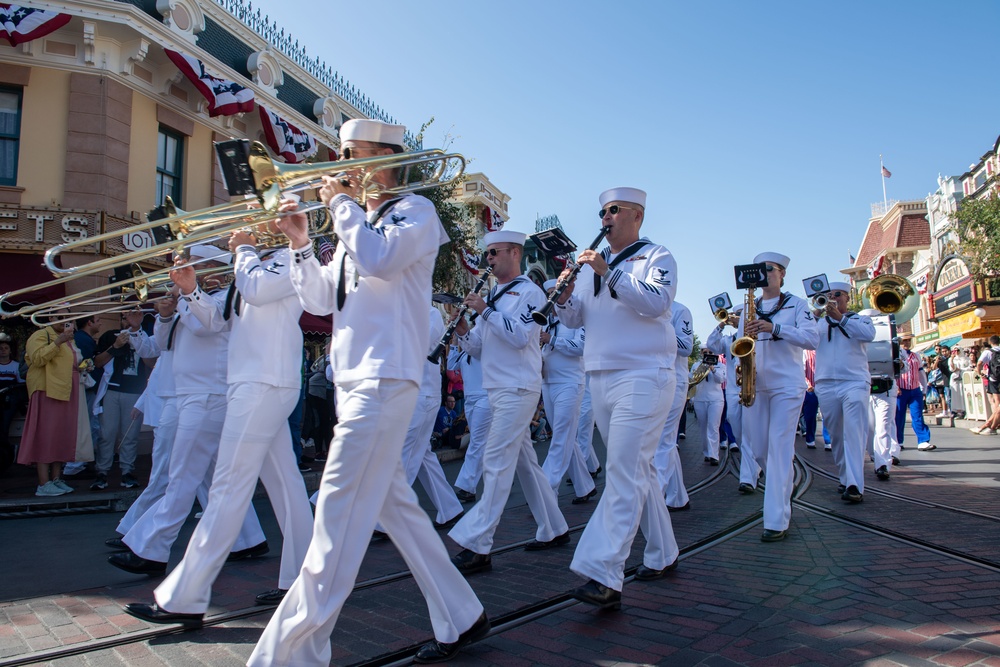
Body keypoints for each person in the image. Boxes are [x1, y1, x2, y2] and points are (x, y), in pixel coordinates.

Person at [247, 119, 488, 665]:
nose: (342, 165)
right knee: (391, 504)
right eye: (341, 155)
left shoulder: (415, 213)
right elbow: (318, 300)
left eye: (353, 154)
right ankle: (460, 611)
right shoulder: (356, 223)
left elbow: (379, 260)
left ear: (388, 158)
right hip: (355, 378)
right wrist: (300, 242)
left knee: (336, 512)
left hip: (384, 376)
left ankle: (291, 654)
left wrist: (340, 209)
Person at [554, 186, 680, 609]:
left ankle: (602, 570)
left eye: (613, 210)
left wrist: (607, 272)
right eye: (602, 212)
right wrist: (565, 294)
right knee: (637, 471)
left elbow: (657, 303)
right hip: (601, 375)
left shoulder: (656, 256)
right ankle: (663, 552)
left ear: (636, 215)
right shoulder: (591, 268)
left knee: (622, 471)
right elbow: (575, 319)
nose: (604, 218)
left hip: (644, 374)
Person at [110, 246, 268, 576]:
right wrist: (165, 315)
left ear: (212, 267)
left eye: (192, 265)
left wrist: (188, 292)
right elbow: (162, 344)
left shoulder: (230, 294)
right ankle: (248, 539)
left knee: (181, 476)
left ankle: (149, 548)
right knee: (210, 479)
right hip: (187, 395)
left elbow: (209, 325)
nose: (182, 270)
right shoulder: (189, 297)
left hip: (210, 393)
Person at [448, 228, 570, 575]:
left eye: (495, 253)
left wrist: (485, 311)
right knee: (525, 465)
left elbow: (519, 337)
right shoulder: (494, 295)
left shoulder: (530, 293)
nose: (489, 259)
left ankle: (478, 544)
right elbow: (479, 349)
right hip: (496, 386)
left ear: (514, 253)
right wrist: (460, 332)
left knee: (496, 460)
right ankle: (554, 527)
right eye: (488, 254)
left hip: (518, 387)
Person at [738, 252, 819, 542]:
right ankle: (782, 491)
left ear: (782, 274)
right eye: (760, 270)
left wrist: (775, 328)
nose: (764, 274)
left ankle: (775, 519)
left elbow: (812, 339)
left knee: (779, 447)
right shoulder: (749, 306)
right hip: (757, 385)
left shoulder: (797, 305)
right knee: (759, 449)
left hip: (787, 385)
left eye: (769, 269)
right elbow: (740, 345)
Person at [813, 282, 876, 503]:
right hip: (826, 384)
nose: (832, 299)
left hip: (854, 382)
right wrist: (814, 315)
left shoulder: (860, 319)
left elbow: (868, 335)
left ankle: (854, 485)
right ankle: (844, 477)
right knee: (837, 436)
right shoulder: (819, 324)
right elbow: (805, 340)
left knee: (854, 434)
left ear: (847, 298)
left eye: (837, 295)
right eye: (828, 296)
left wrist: (840, 318)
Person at [538, 280, 596, 504]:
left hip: (570, 382)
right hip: (548, 382)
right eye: (549, 294)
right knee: (566, 437)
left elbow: (582, 348)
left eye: (556, 293)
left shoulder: (576, 318)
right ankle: (584, 486)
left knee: (561, 436)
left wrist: (552, 340)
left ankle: (545, 488)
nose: (552, 298)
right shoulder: (545, 321)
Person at [19, 318, 91, 496]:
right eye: (60, 317)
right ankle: (44, 483)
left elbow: (71, 363)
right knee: (46, 436)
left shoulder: (70, 339)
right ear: (51, 318)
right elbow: (36, 359)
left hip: (66, 391)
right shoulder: (40, 335)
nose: (66, 322)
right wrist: (58, 342)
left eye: (69, 319)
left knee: (60, 436)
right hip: (46, 390)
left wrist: (84, 366)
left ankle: (56, 479)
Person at [90, 308, 156, 490]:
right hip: (111, 390)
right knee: (107, 434)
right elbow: (97, 362)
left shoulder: (145, 336)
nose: (128, 321)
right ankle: (102, 472)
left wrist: (138, 343)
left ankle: (127, 471)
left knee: (131, 435)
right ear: (121, 319)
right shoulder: (110, 336)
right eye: (126, 317)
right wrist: (116, 346)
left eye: (133, 316)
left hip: (135, 390)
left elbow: (152, 363)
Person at [654, 300, 693, 511]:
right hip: (653, 381)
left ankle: (653, 497)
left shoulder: (680, 310)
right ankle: (678, 496)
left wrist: (657, 330)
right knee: (664, 440)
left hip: (675, 380)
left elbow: (687, 347)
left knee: (663, 441)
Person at [449, 342, 492, 504]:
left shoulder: (482, 348)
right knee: (483, 443)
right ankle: (498, 477)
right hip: (470, 399)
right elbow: (452, 367)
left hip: (485, 397)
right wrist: (453, 346)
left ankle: (467, 488)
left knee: (477, 442)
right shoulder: (463, 353)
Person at [896, 337, 933, 449]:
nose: (906, 343)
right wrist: (896, 387)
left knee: (917, 415)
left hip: (915, 389)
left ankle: (923, 440)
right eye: (904, 341)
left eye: (908, 341)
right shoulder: (896, 355)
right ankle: (898, 441)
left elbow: (921, 373)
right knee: (899, 416)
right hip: (901, 390)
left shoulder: (916, 356)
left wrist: (924, 388)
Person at [690, 349, 726, 466]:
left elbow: (720, 379)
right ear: (701, 354)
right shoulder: (696, 365)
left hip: (716, 399)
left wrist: (712, 369)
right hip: (700, 399)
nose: (708, 354)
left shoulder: (720, 366)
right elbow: (692, 380)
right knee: (703, 427)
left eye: (710, 352)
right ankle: (706, 452)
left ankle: (714, 455)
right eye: (705, 352)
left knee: (713, 427)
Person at [972, 335, 1000, 435]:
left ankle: (990, 426)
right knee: (998, 404)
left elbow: (979, 363)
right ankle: (990, 425)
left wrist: (979, 373)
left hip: (994, 379)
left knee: (997, 402)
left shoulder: (988, 352)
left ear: (991, 342)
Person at [949, 347, 969, 419]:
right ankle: (956, 411)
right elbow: (951, 368)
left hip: (963, 377)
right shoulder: (953, 359)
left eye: (957, 350)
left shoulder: (966, 359)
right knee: (956, 395)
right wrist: (951, 359)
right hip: (955, 379)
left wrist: (961, 369)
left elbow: (969, 367)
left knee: (963, 394)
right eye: (954, 351)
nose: (956, 352)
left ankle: (965, 410)